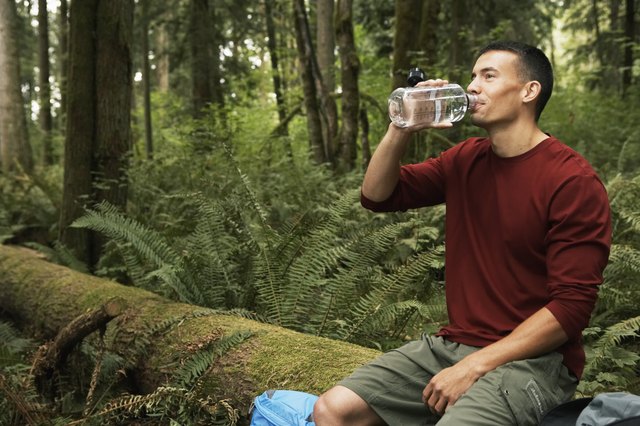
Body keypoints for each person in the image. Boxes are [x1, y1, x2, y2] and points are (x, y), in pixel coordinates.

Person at [313, 41, 612, 426]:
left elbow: (571, 308)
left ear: (529, 91)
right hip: (454, 344)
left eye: (488, 76)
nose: (472, 87)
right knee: (332, 410)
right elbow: (376, 195)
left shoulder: (572, 181)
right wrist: (401, 125)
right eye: (472, 76)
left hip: (536, 363)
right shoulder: (466, 159)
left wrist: (474, 366)